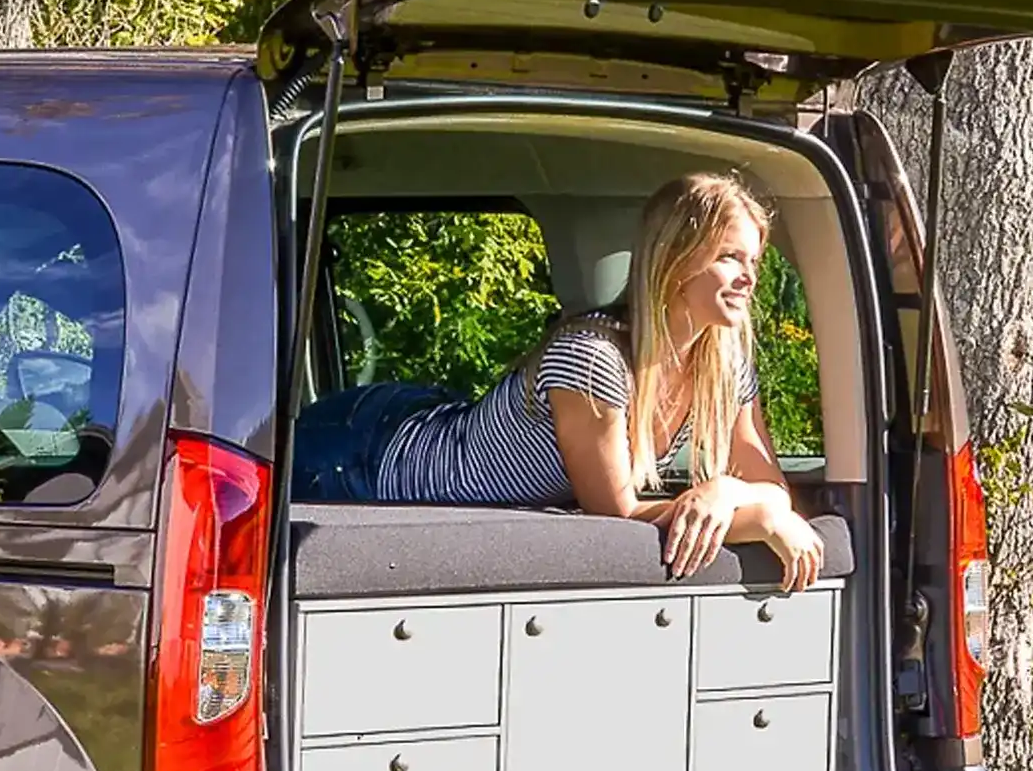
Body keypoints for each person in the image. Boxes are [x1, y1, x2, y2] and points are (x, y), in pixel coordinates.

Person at [292, 172, 827, 592]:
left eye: (753, 260)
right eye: (730, 257)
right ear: (676, 260)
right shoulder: (592, 358)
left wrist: (727, 491)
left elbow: (770, 486)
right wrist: (752, 514)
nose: (750, 277)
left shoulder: (724, 364)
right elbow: (618, 515)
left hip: (441, 424)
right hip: (362, 456)